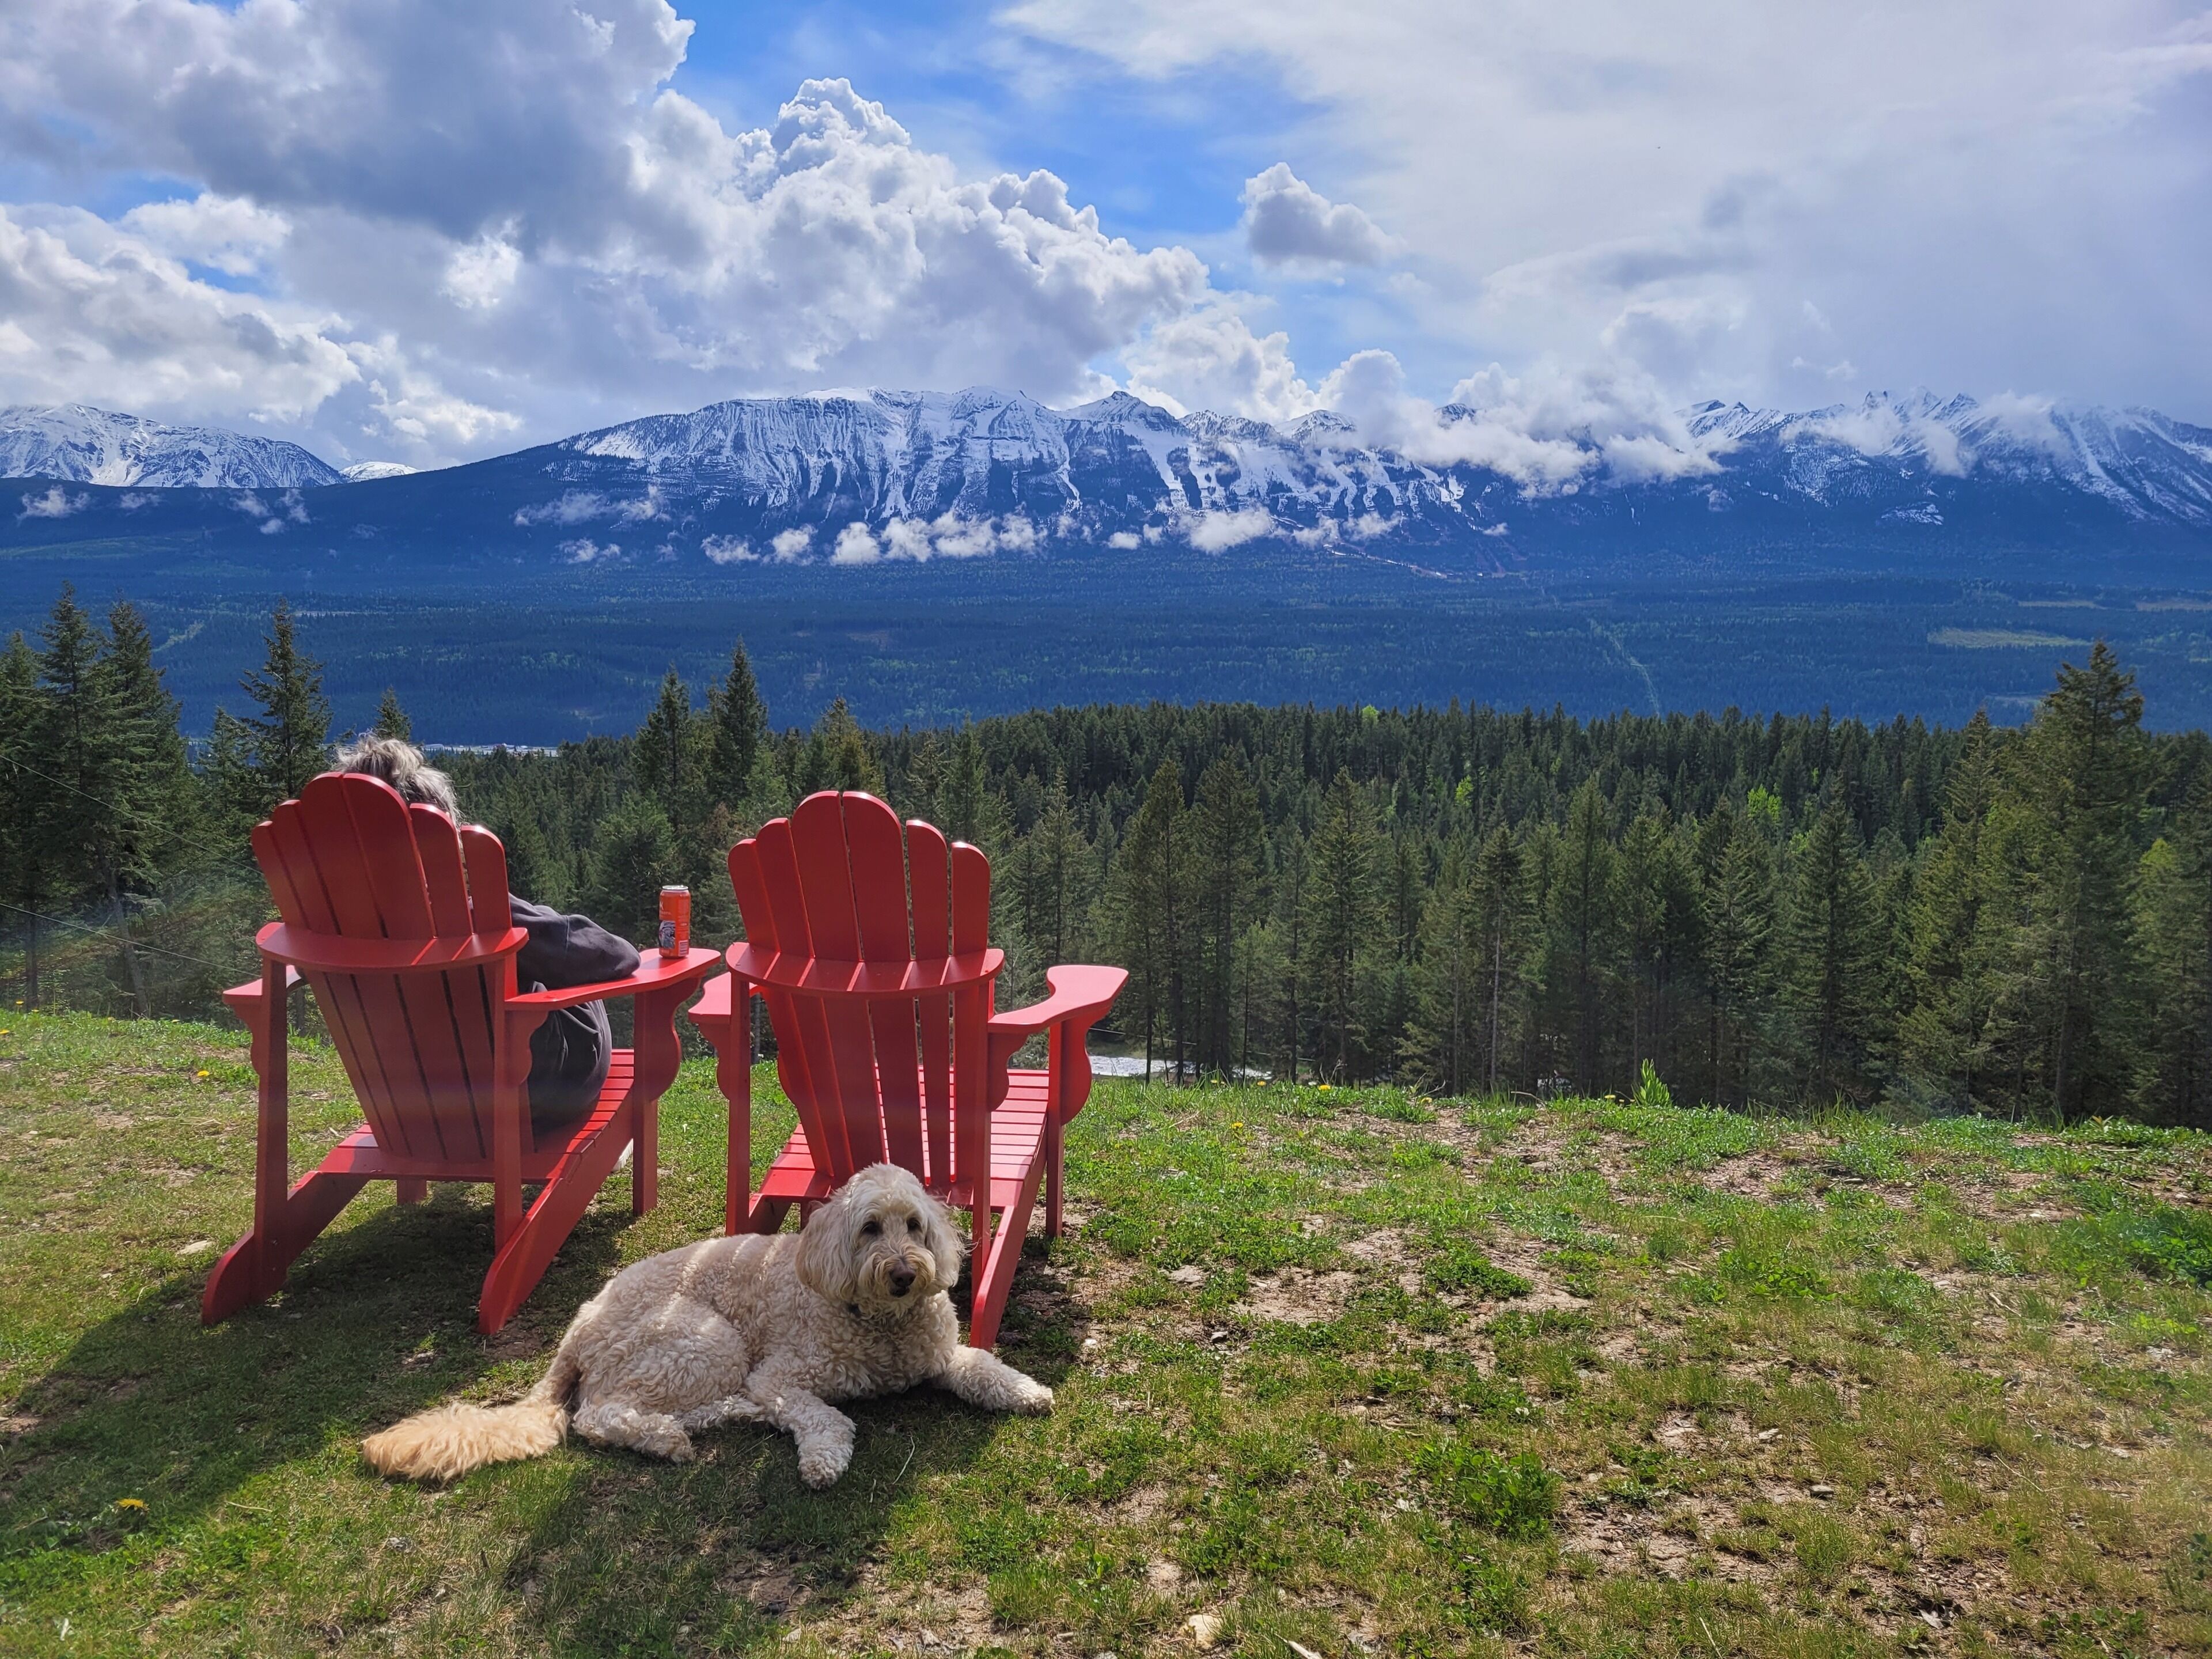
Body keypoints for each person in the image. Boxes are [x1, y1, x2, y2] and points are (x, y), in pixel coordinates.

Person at [327, 734, 640, 1133]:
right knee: (561, 965)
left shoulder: (332, 927)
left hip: (410, 1104)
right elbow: (617, 957)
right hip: (540, 1091)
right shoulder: (479, 916)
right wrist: (544, 924)